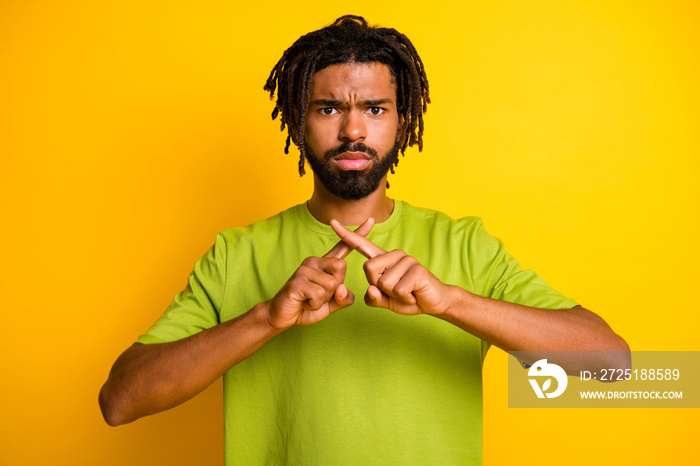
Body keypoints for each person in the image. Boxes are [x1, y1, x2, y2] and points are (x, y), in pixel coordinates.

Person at [99, 15, 629, 465]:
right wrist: (266, 318)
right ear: (298, 121)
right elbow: (119, 401)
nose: (353, 130)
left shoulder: (465, 245)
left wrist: (451, 301)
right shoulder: (238, 252)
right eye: (329, 109)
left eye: (375, 109)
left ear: (402, 122)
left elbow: (613, 367)